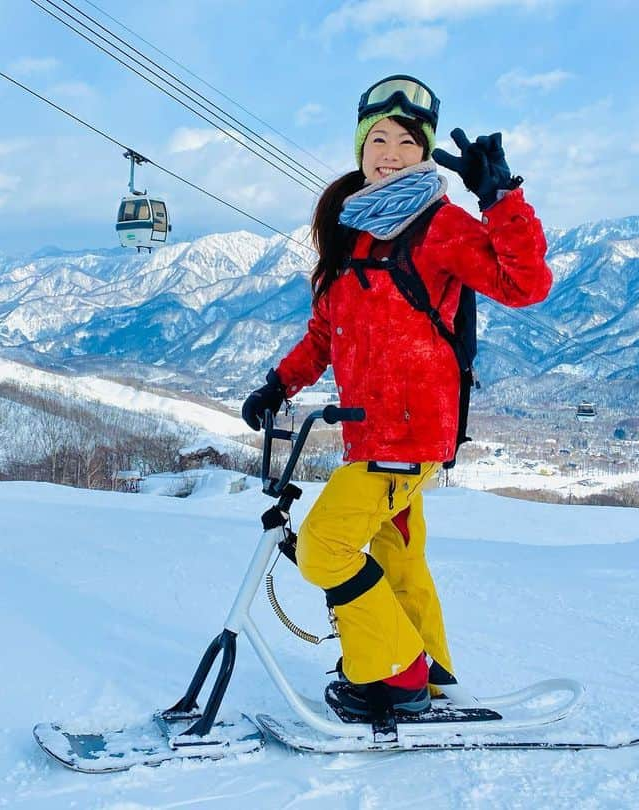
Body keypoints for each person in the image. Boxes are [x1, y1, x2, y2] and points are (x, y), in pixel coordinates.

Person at [241, 75, 553, 723]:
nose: (388, 151)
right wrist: (279, 384)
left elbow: (526, 283)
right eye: (376, 138)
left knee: (326, 543)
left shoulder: (438, 225)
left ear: (425, 153)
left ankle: (393, 674)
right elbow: (327, 333)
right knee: (397, 558)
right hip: (369, 435)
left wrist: (500, 198)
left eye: (406, 142)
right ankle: (431, 672)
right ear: (360, 148)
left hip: (409, 439)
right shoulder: (353, 230)